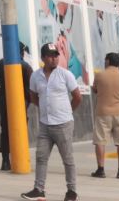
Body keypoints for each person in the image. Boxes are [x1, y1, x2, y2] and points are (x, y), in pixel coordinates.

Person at [22, 44, 83, 201]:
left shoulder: (65, 74)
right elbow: (34, 96)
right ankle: (38, 190)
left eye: (56, 55)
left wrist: (67, 112)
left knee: (67, 159)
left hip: (63, 124)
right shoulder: (35, 76)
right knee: (41, 157)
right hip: (45, 124)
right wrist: (45, 110)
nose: (54, 58)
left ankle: (72, 192)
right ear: (43, 58)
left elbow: (77, 97)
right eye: (50, 55)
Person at [87, 52, 119, 180]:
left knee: (100, 141)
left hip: (103, 112)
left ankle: (100, 170)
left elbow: (95, 90)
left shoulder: (99, 75)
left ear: (107, 61)